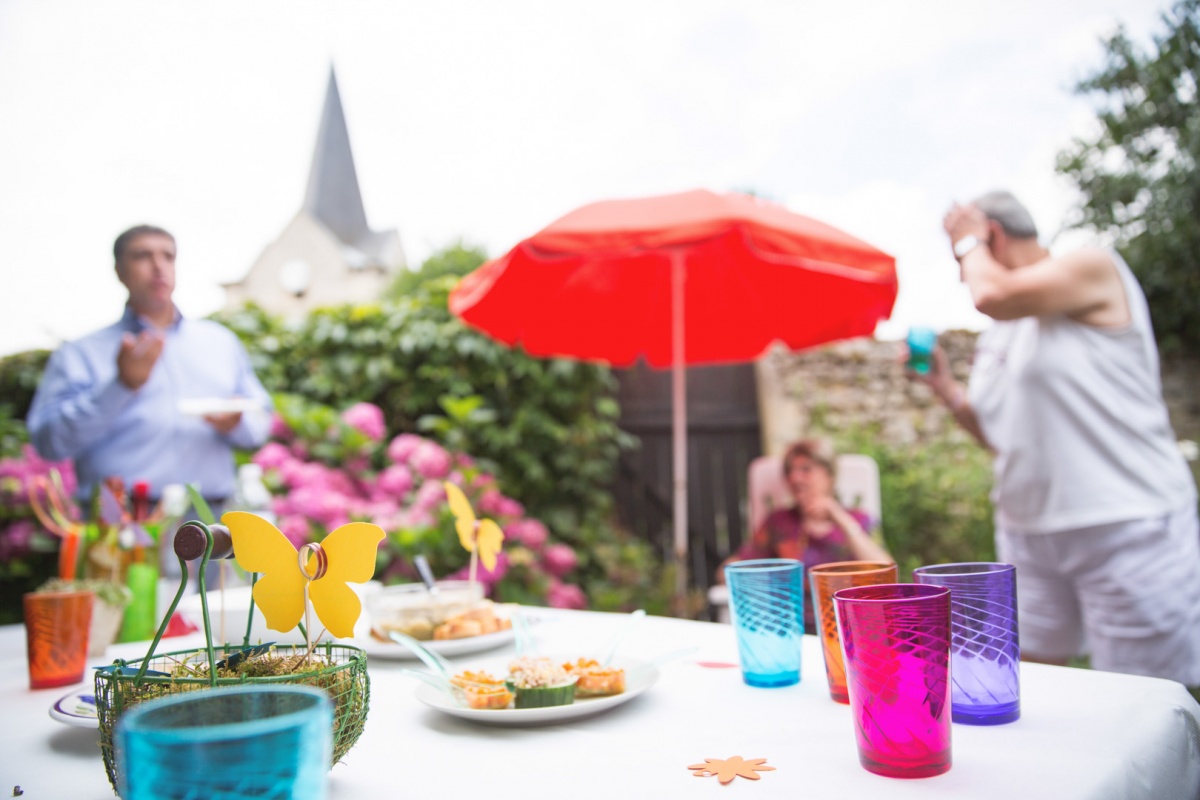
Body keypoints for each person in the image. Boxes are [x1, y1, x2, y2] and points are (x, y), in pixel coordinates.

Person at [917, 190, 1200, 685]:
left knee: (1143, 699)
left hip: (1127, 528)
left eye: (965, 256)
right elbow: (998, 435)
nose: (963, 271)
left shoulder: (1091, 268)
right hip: (1029, 536)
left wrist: (965, 241)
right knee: (1034, 688)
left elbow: (992, 295)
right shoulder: (1000, 334)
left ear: (993, 236)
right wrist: (945, 389)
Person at [26, 224, 273, 515]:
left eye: (168, 256)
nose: (159, 267)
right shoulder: (81, 353)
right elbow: (49, 442)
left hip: (210, 518)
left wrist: (237, 423)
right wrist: (121, 387)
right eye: (142, 256)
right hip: (121, 522)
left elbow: (260, 422)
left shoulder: (220, 342)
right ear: (119, 270)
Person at [717, 438, 893, 630]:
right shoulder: (779, 522)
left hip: (852, 625)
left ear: (829, 475)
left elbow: (886, 574)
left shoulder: (858, 520)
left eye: (806, 469)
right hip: (790, 625)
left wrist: (839, 517)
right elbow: (728, 572)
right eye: (790, 471)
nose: (795, 478)